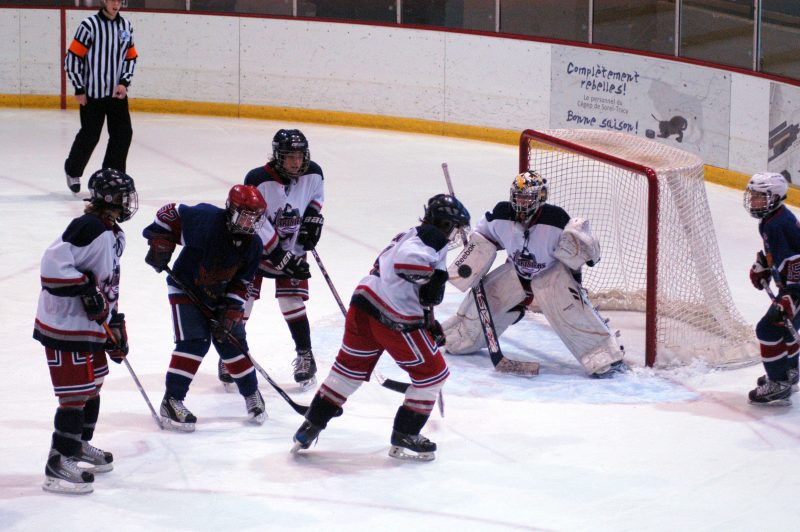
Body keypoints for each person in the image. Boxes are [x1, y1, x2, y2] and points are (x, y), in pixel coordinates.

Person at [291, 194, 470, 461]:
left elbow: (411, 285)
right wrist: (435, 276)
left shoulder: (410, 233)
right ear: (443, 224)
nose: (456, 234)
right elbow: (406, 264)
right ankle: (405, 435)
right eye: (455, 227)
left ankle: (311, 424)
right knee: (433, 375)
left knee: (348, 372)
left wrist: (429, 322)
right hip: (392, 318)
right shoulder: (431, 238)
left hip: (363, 306)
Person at [441, 171, 625, 377]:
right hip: (515, 274)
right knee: (477, 313)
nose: (521, 203)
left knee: (571, 313)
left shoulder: (556, 220)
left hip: (551, 278)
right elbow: (484, 235)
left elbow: (590, 258)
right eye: (517, 197)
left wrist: (584, 244)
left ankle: (606, 356)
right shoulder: (501, 214)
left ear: (540, 197)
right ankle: (462, 335)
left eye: (526, 198)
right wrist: (475, 255)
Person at [34, 169, 138, 494]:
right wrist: (83, 287)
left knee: (94, 385)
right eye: (123, 197)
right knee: (74, 395)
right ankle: (58, 462)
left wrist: (115, 325)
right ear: (108, 200)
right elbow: (51, 268)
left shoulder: (113, 233)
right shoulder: (88, 227)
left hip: (89, 324)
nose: (129, 202)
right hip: (64, 325)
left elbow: (107, 283)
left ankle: (77, 445)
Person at [142, 185, 269, 431]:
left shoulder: (253, 246)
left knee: (233, 341)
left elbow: (243, 282)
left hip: (220, 297)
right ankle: (172, 400)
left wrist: (232, 309)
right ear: (231, 211)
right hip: (185, 287)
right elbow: (170, 212)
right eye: (245, 215)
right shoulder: (207, 221)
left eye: (255, 217)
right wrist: (160, 240)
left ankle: (252, 394)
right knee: (194, 342)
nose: (249, 222)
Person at [225, 128, 324, 389]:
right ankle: (231, 354)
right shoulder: (257, 179)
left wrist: (314, 218)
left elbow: (315, 199)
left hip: (292, 247)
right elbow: (254, 219)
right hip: (255, 250)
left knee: (291, 300)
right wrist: (278, 255)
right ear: (277, 156)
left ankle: (305, 354)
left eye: (300, 156)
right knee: (242, 302)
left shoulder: (314, 173)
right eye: (290, 156)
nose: (296, 162)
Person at [63, 0, 138, 194]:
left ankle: (111, 177)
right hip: (92, 94)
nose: (116, 4)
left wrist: (124, 82)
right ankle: (72, 170)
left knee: (123, 134)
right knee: (90, 135)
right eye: (112, 0)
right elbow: (72, 57)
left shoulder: (126, 26)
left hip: (116, 94)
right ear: (104, 1)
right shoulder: (89, 26)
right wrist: (79, 87)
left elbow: (131, 57)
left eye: (119, 0)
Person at [745, 172, 800, 405]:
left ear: (775, 197)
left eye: (760, 197)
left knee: (767, 330)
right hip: (791, 288)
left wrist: (789, 298)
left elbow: (797, 263)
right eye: (753, 196)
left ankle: (778, 382)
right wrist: (763, 265)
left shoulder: (779, 224)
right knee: (788, 329)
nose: (754, 201)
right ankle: (789, 371)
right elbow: (775, 253)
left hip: (796, 290)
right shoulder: (771, 219)